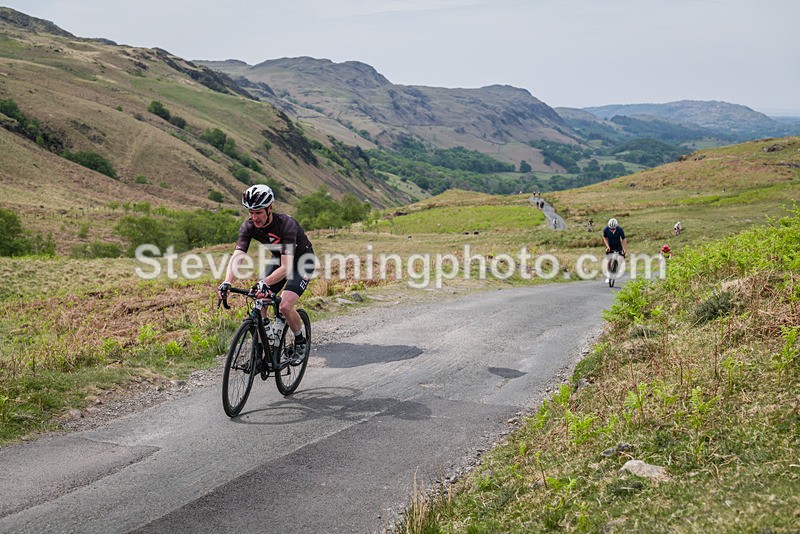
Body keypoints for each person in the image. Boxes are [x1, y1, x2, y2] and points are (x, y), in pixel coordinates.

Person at [217, 184, 315, 359]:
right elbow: (238, 254)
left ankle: (300, 341)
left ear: (270, 208)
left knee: (285, 305)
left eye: (259, 212)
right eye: (251, 213)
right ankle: (264, 343)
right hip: (280, 260)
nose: (254, 218)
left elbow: (287, 267)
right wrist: (227, 281)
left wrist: (265, 282)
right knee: (259, 298)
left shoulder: (286, 224)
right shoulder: (248, 227)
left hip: (302, 262)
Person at [603, 218, 627, 282]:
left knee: (621, 256)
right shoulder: (605, 230)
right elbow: (605, 238)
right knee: (609, 260)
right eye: (611, 228)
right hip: (610, 246)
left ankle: (620, 268)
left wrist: (624, 249)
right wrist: (607, 247)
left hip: (618, 246)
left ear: (616, 227)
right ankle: (608, 275)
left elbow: (623, 239)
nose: (612, 230)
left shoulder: (620, 230)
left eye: (613, 229)